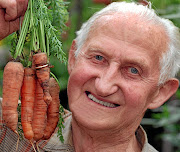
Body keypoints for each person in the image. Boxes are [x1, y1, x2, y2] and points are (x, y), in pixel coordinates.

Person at [0, 0, 180, 152]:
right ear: (73, 58)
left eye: (133, 70)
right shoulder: (11, 130)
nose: (104, 86)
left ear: (160, 92)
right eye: (98, 58)